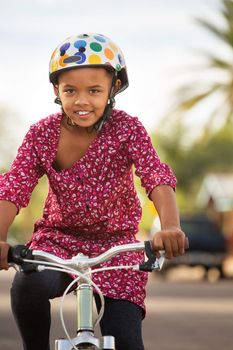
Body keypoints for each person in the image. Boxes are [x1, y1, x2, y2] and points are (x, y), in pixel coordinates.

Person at [0, 33, 186, 350]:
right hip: (57, 242)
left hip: (117, 246)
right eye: (70, 90)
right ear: (56, 90)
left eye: (94, 90)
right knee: (27, 284)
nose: (82, 101)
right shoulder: (42, 134)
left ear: (113, 89)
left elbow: (154, 175)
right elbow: (16, 183)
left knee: (126, 338)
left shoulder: (128, 129)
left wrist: (169, 227)